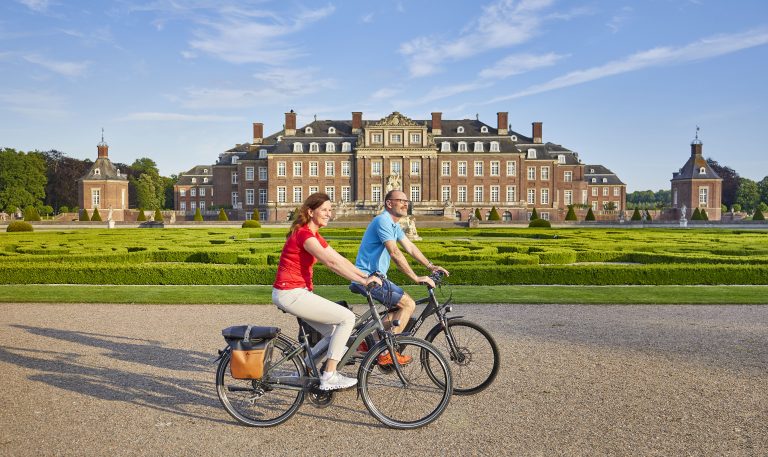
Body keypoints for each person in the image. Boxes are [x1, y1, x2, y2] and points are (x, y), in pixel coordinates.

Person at [272, 192, 382, 391]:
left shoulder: (313, 234)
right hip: (291, 293)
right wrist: (363, 281)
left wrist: (366, 276)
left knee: (334, 333)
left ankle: (304, 367)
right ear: (310, 211)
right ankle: (329, 375)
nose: (328, 214)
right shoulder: (305, 234)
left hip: (296, 292)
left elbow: (339, 259)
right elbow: (330, 263)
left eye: (330, 210)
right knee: (347, 318)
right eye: (324, 210)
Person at [350, 190, 449, 365]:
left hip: (375, 277)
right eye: (401, 201)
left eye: (406, 200)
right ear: (389, 203)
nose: (406, 204)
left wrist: (430, 266)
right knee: (408, 304)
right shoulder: (383, 221)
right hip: (369, 278)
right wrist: (416, 277)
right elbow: (395, 253)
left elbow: (410, 247)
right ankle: (388, 353)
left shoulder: (394, 225)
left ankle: (368, 343)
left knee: (398, 310)